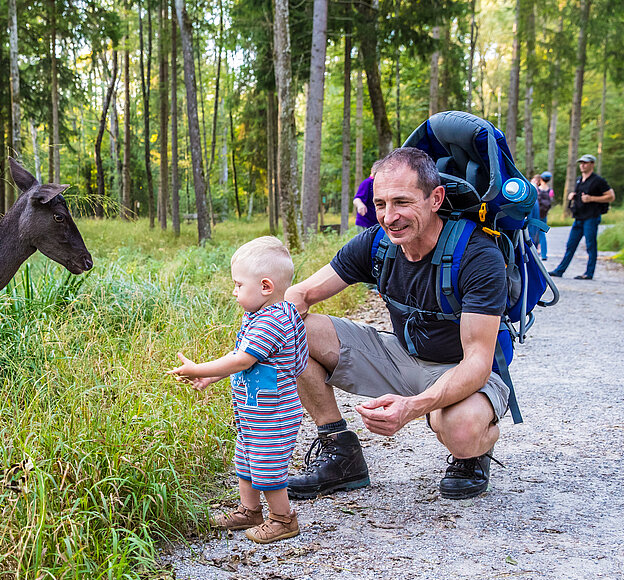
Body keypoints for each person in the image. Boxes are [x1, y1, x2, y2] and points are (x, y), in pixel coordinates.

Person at [283, 147, 511, 501]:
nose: (390, 217)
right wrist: (245, 354)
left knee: (461, 430)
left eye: (402, 202)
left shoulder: (478, 256)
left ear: (436, 199)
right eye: (381, 204)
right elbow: (300, 294)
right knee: (289, 330)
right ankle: (340, 454)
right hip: (402, 356)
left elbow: (478, 361)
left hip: (463, 369)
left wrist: (414, 407)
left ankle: (472, 454)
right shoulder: (376, 243)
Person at [169, 236, 308, 544]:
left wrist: (198, 368)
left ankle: (284, 520)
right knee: (246, 461)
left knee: (268, 469)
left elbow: (243, 358)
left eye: (238, 285)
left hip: (273, 414)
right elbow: (244, 361)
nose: (234, 292)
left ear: (266, 287)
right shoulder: (260, 315)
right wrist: (211, 379)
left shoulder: (274, 321)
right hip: (255, 412)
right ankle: (250, 511)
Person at [549, 154, 615, 280]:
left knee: (590, 245)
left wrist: (591, 198)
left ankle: (589, 273)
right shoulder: (579, 180)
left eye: (585, 162)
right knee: (570, 245)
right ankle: (559, 270)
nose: (582, 165)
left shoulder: (598, 180)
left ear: (592, 164)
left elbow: (611, 196)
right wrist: (573, 196)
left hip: (591, 217)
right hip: (579, 217)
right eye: (581, 163)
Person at [532, 172, 554, 260]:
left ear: (541, 179)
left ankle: (534, 251)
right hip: (544, 214)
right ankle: (544, 254)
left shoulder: (537, 189)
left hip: (536, 214)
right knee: (542, 233)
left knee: (534, 232)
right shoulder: (550, 190)